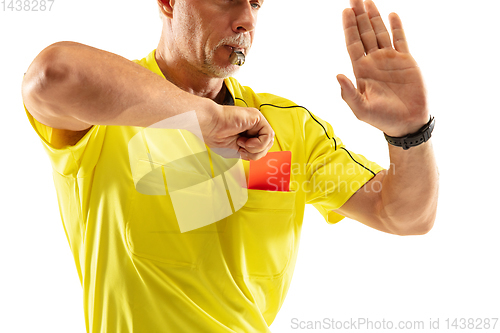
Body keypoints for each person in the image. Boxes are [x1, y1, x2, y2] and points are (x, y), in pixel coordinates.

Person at [21, 0, 439, 331]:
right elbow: (51, 75)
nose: (246, 20)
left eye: (256, 3)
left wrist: (409, 133)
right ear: (168, 2)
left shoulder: (288, 129)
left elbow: (402, 214)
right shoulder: (105, 106)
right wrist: (197, 115)